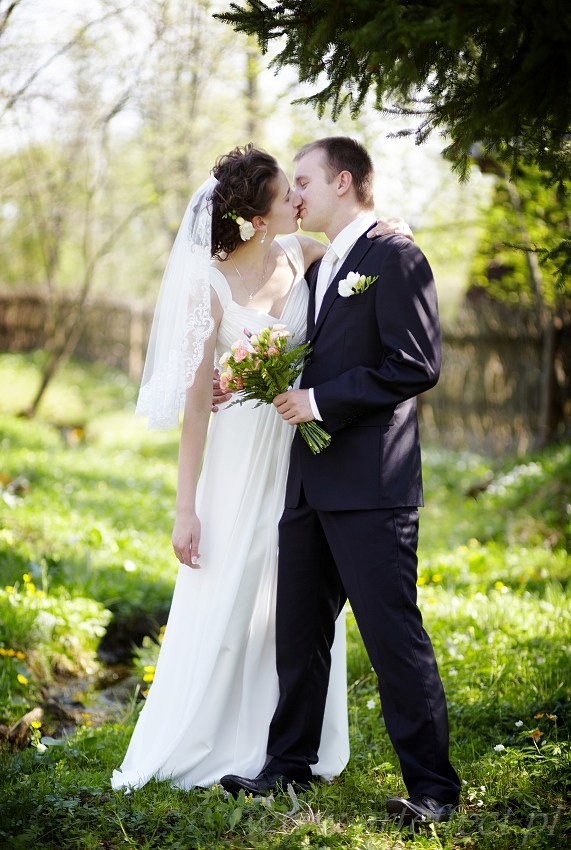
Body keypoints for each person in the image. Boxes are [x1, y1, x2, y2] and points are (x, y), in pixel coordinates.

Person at [111, 144, 399, 791]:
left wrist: (396, 228)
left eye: (300, 189)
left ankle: (289, 743)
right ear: (257, 215)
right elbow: (194, 414)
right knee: (233, 578)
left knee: (295, 597)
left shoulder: (305, 256)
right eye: (285, 194)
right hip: (239, 457)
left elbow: (363, 260)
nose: (299, 200)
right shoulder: (208, 285)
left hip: (300, 450)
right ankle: (214, 734)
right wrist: (185, 508)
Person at [220, 138, 462, 825]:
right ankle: (286, 768)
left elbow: (413, 363)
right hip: (308, 481)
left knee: (391, 637)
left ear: (344, 182)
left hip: (370, 484)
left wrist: (318, 403)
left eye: (302, 181)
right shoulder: (327, 263)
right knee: (298, 634)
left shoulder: (394, 255)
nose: (292, 193)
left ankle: (434, 792)